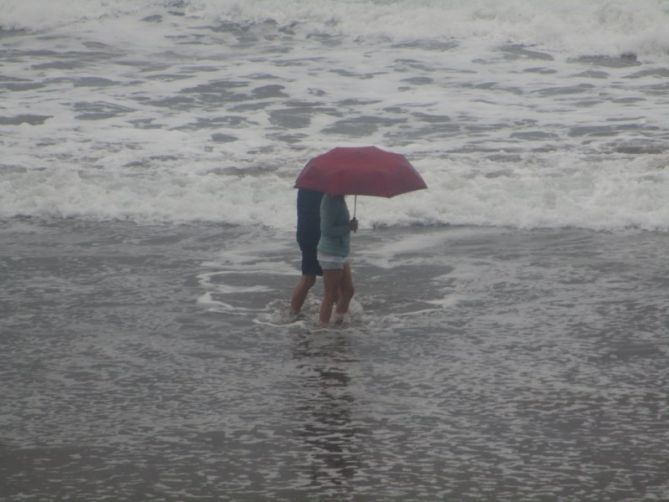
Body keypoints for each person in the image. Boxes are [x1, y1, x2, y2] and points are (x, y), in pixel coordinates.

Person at [318, 194, 357, 325]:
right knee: (330, 294)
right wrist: (348, 227)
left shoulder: (339, 198)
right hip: (331, 254)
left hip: (340, 253)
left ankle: (338, 320)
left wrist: (350, 225)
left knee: (348, 290)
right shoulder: (331, 200)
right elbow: (326, 229)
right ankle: (322, 329)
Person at [290, 188, 324, 316]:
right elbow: (325, 216)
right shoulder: (322, 190)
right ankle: (339, 317)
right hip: (317, 237)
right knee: (333, 280)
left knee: (309, 278)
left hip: (306, 234)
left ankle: (293, 313)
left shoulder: (307, 186)